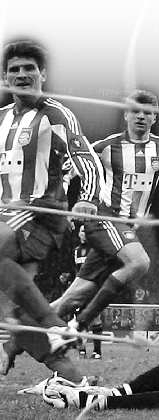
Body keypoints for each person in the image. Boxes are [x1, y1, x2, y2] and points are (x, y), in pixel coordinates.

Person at [0, 38, 107, 380]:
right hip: (6, 215)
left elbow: (86, 158)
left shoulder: (55, 114)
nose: (21, 74)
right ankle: (74, 379)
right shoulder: (1, 119)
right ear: (4, 77)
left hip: (40, 213)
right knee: (17, 307)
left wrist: (88, 197)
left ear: (42, 74)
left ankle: (52, 325)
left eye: (29, 68)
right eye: (14, 69)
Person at [52, 89, 159, 333]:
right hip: (105, 218)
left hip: (125, 231)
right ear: (125, 115)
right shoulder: (106, 146)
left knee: (74, 297)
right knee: (140, 262)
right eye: (135, 111)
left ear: (155, 117)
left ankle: (20, 335)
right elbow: (68, 170)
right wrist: (65, 205)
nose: (141, 116)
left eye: (148, 112)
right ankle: (78, 325)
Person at [73, 225, 103, 359]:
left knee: (95, 318)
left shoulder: (96, 249)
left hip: (93, 288)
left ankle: (97, 352)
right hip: (79, 290)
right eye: (82, 231)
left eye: (86, 231)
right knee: (80, 319)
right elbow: (76, 270)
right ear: (79, 234)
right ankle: (82, 350)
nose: (84, 233)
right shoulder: (76, 251)